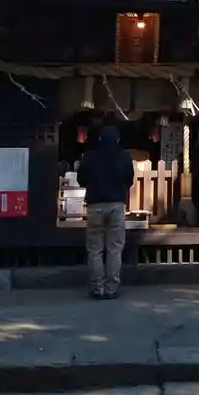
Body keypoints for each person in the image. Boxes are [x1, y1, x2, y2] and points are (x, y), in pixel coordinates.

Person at [77, 124, 136, 299]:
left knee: (95, 249)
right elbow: (129, 180)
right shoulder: (124, 157)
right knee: (115, 249)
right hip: (116, 205)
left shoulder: (89, 157)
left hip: (95, 205)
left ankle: (97, 288)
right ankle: (112, 288)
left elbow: (81, 180)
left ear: (99, 139)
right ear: (118, 140)